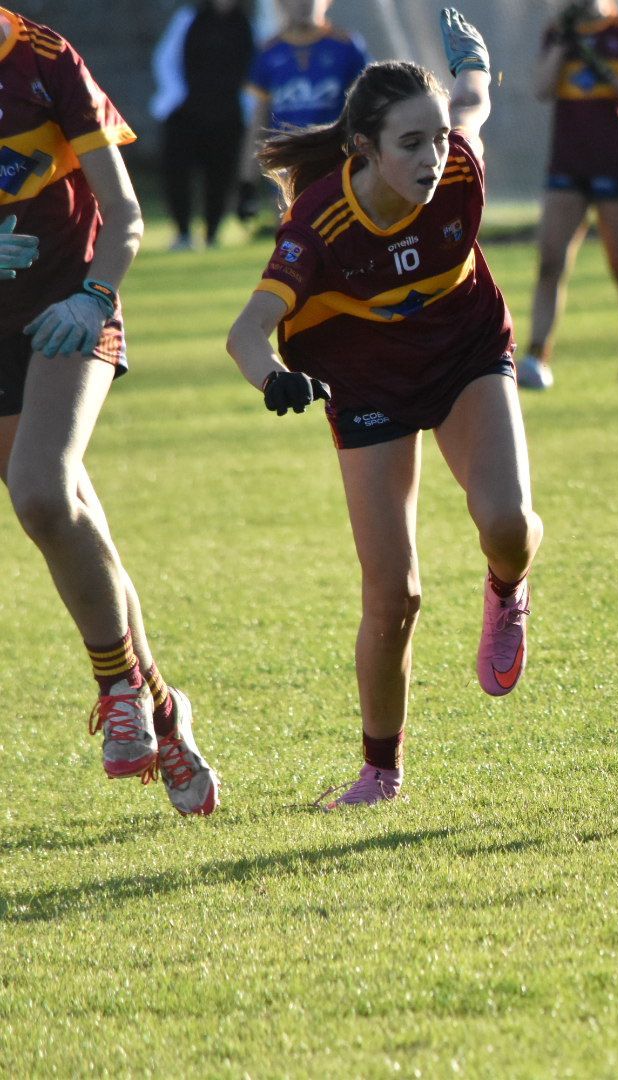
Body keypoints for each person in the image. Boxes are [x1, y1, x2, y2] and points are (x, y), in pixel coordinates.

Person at [226, 10, 542, 810]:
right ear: (363, 147)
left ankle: (507, 587)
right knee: (394, 595)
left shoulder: (459, 166)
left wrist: (472, 58)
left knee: (508, 523)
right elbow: (246, 332)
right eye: (412, 144)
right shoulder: (320, 222)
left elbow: (472, 101)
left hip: (464, 351)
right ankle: (379, 773)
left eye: (436, 139)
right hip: (366, 380)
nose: (433, 158)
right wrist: (273, 380)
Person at [0, 7, 219, 815]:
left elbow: (124, 216)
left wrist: (94, 298)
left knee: (41, 493)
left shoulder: (45, 61)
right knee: (67, 515)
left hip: (68, 310)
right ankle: (159, 704)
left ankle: (118, 687)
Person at [516, 0, 618, 391]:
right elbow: (541, 89)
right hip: (567, 166)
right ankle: (535, 358)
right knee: (550, 263)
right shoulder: (558, 33)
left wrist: (608, 76)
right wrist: (563, 47)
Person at [237, 0, 370, 221]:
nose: (304, 4)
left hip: (334, 162)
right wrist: (247, 181)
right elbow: (258, 120)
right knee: (292, 233)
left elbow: (365, 109)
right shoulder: (269, 52)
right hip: (288, 167)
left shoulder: (347, 46)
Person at [150, 0, 257, 250]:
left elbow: (255, 70)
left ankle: (212, 233)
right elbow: (165, 59)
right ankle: (183, 233)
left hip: (228, 115)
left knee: (220, 177)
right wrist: (176, 96)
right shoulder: (188, 19)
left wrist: (247, 107)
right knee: (177, 174)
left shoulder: (248, 26)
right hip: (186, 113)